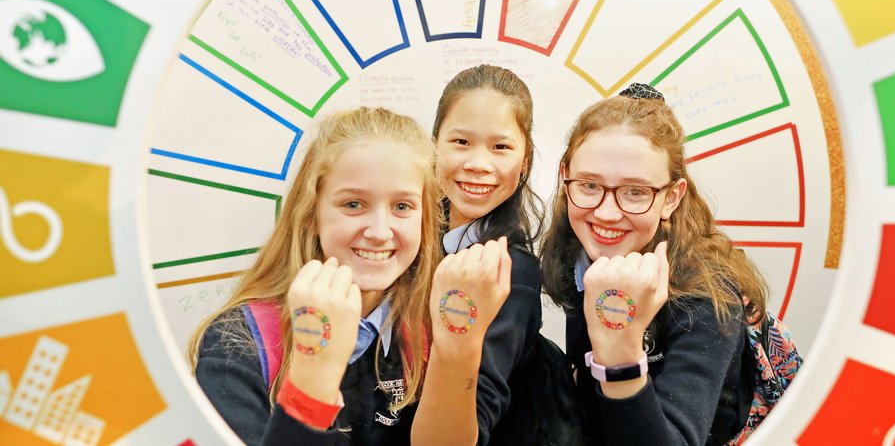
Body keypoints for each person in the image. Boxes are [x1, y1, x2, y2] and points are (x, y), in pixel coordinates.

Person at [189, 107, 511, 445]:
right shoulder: (241, 343)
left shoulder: (429, 329)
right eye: (353, 204)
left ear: (425, 221)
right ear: (311, 214)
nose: (379, 231)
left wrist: (459, 348)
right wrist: (313, 379)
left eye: (402, 207)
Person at [541, 84, 768, 445]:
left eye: (635, 192)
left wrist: (621, 354)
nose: (606, 212)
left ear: (670, 198)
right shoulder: (576, 252)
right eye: (589, 185)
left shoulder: (705, 300)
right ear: (566, 177)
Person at [432, 65, 578, 445]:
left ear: (525, 160)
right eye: (461, 142)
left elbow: (471, 424)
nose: (479, 164)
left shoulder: (512, 273)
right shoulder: (406, 240)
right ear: (434, 144)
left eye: (501, 147)